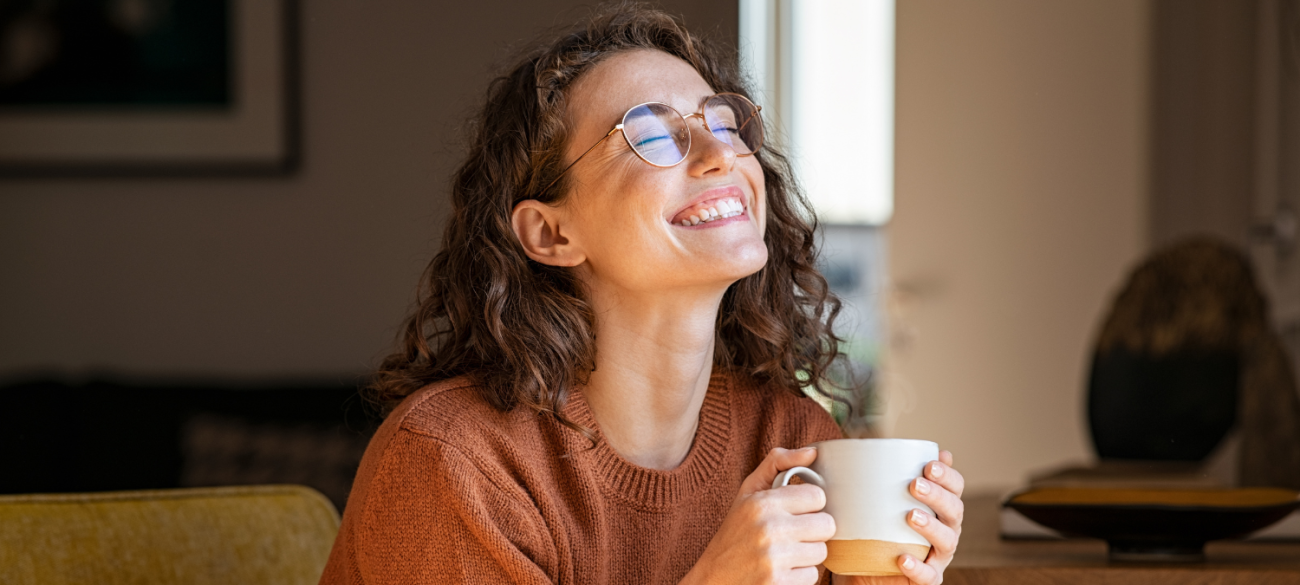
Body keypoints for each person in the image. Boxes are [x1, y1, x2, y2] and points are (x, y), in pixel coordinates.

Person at [318, 4, 963, 584]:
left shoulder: (789, 438)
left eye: (724, 120)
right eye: (650, 134)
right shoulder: (457, 465)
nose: (720, 154)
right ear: (550, 232)